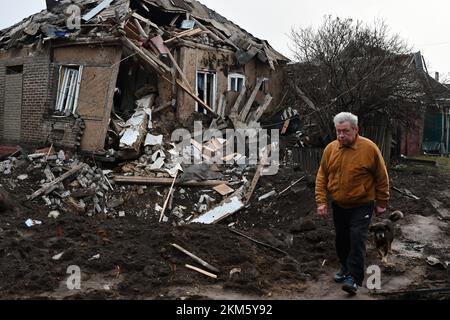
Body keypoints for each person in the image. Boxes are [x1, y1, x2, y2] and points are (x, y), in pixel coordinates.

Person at [315, 112, 389, 295]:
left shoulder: (369, 149)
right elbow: (322, 175)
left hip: (362, 204)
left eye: (345, 131)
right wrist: (321, 201)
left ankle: (354, 279)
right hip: (339, 205)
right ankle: (345, 267)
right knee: (341, 240)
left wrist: (382, 201)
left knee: (357, 239)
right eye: (338, 132)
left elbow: (381, 176)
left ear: (356, 130)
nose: (341, 136)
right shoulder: (330, 149)